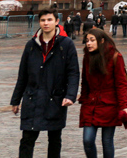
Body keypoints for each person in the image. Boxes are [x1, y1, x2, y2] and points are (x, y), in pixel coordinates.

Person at [10, 9, 80, 158]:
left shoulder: (66, 44)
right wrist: (16, 100)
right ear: (39, 22)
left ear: (56, 22)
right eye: (43, 20)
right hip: (32, 98)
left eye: (49, 20)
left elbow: (73, 72)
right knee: (27, 139)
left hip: (55, 99)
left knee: (54, 140)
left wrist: (70, 95)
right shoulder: (31, 45)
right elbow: (22, 75)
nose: (46, 23)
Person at [79, 28, 127, 158]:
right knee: (87, 140)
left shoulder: (115, 56)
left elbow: (121, 84)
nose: (88, 44)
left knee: (107, 141)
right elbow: (84, 81)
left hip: (109, 104)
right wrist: (84, 98)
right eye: (87, 41)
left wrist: (124, 106)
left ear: (101, 41)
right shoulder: (87, 56)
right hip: (91, 104)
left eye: (92, 40)